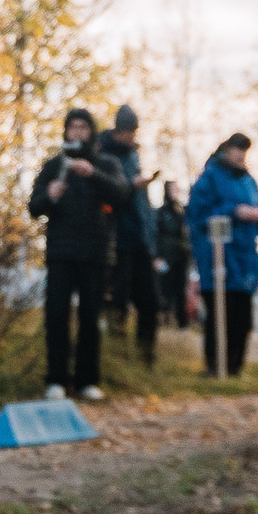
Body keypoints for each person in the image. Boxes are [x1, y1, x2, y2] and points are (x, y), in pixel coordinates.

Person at [28, 108, 130, 401]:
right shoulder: (54, 166)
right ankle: (56, 380)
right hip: (61, 252)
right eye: (72, 127)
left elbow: (122, 194)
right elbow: (35, 208)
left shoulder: (107, 164)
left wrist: (93, 174)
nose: (77, 132)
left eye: (83, 127)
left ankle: (88, 381)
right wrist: (51, 196)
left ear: (92, 131)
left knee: (90, 318)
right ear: (65, 131)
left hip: (96, 254)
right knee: (56, 316)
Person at [185, 134, 258, 378]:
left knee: (242, 315)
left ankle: (235, 367)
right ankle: (215, 365)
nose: (241, 155)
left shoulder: (248, 181)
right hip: (218, 257)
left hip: (246, 259)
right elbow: (198, 214)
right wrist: (233, 211)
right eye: (237, 149)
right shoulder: (209, 177)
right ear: (226, 150)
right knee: (221, 313)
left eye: (244, 150)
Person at [96, 107, 164, 367]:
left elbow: (143, 204)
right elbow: (109, 194)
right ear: (119, 130)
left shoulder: (134, 156)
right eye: (129, 131)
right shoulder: (103, 154)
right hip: (116, 239)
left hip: (140, 239)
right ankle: (117, 356)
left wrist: (151, 237)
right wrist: (130, 186)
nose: (132, 137)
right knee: (118, 299)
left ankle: (146, 355)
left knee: (150, 300)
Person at [155, 180, 192, 331]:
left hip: (181, 255)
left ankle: (181, 321)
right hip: (166, 255)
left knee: (180, 288)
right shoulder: (161, 213)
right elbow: (158, 234)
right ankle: (164, 316)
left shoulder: (182, 212)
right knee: (165, 288)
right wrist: (158, 256)